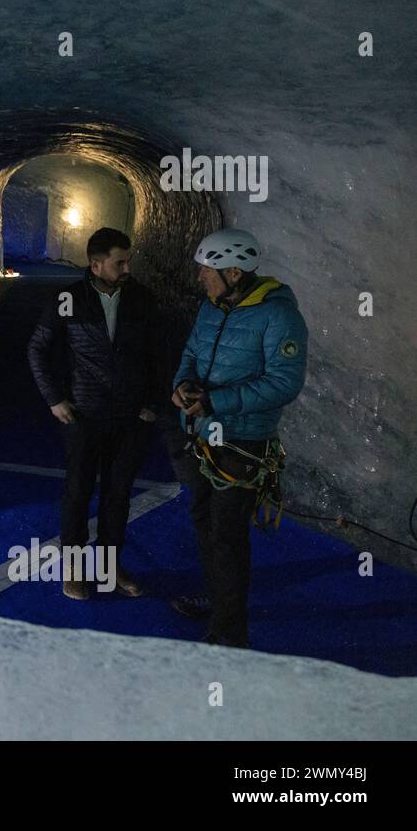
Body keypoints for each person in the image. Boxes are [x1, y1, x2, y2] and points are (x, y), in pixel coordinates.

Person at [168, 228, 308, 648]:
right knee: (203, 521)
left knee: (226, 534)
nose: (199, 277)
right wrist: (183, 385)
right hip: (201, 433)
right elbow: (191, 354)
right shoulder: (211, 306)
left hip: (242, 442)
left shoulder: (278, 315)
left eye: (205, 270)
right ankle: (219, 599)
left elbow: (285, 383)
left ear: (233, 272)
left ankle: (230, 635)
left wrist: (216, 403)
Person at [27, 227, 166, 600]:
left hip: (130, 419)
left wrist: (152, 404)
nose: (127, 267)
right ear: (96, 264)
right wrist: (55, 399)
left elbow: (159, 353)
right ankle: (73, 569)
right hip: (83, 416)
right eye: (120, 262)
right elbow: (38, 348)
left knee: (118, 494)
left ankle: (109, 568)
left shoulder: (142, 299)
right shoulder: (68, 299)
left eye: (128, 260)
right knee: (78, 492)